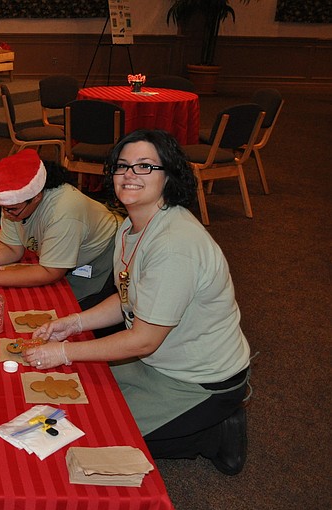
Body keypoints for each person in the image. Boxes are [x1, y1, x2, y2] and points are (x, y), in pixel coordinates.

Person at [22, 129, 251, 475]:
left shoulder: (175, 245)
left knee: (89, 434)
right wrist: (75, 323)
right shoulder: (133, 225)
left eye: (144, 166)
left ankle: (216, 431)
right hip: (157, 361)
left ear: (169, 175)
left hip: (199, 380)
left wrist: (65, 351)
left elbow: (143, 338)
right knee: (77, 400)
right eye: (122, 165)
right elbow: (130, 296)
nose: (129, 174)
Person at [0, 149, 121, 311]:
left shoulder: (64, 211)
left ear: (37, 197)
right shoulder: (16, 204)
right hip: (69, 262)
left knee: (68, 312)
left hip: (106, 260)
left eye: (11, 209)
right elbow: (12, 248)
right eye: (2, 208)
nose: (5, 214)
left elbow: (52, 272)